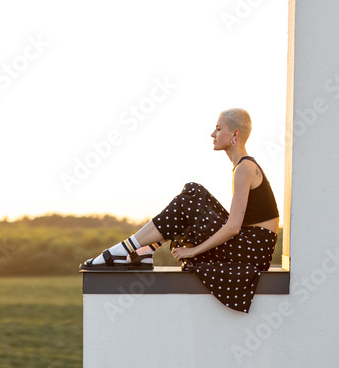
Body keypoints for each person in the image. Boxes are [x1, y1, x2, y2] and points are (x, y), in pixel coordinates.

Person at [81, 108, 279, 313]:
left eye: (219, 129)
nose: (213, 134)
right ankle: (144, 251)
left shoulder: (244, 169)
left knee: (190, 199)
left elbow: (233, 227)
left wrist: (193, 250)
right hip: (252, 247)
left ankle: (127, 250)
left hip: (252, 251)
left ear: (235, 134)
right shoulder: (244, 166)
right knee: (195, 191)